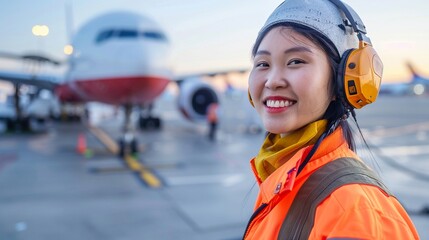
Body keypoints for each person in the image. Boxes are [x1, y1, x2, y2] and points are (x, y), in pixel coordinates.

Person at [243, 0, 420, 239]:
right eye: (262, 64)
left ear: (344, 80)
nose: (272, 80)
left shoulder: (353, 211)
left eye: (296, 61)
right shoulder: (281, 175)